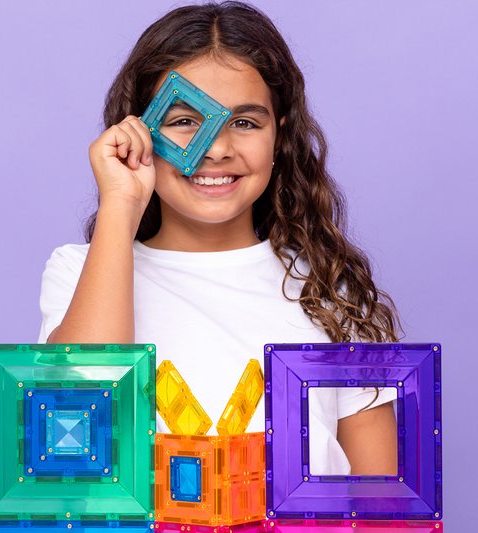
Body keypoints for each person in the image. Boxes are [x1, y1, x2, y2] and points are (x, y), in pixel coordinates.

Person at [37, 1, 403, 476]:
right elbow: (74, 427)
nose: (216, 149)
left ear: (279, 138)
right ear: (139, 134)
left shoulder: (329, 290)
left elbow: (380, 495)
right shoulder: (77, 273)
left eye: (245, 123)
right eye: (184, 122)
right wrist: (120, 203)